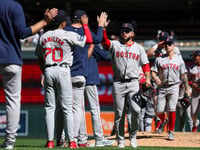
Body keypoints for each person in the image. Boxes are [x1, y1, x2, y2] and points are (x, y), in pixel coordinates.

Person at [0, 0, 58, 149]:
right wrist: (45, 21)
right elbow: (23, 33)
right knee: (12, 101)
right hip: (11, 59)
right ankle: (9, 142)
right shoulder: (13, 6)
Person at [36, 10, 93, 148]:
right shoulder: (68, 34)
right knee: (67, 108)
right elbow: (89, 41)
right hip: (63, 69)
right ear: (63, 23)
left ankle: (50, 141)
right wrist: (85, 26)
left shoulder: (44, 36)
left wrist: (44, 72)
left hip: (48, 69)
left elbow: (39, 57)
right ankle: (72, 141)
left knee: (50, 108)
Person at [55, 10, 108, 147]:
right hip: (83, 74)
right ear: (84, 19)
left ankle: (70, 139)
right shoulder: (86, 32)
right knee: (84, 109)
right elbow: (98, 44)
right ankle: (92, 138)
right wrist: (101, 26)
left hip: (64, 73)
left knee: (64, 108)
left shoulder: (64, 31)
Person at [102, 20, 151, 148]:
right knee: (119, 113)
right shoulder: (115, 45)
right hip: (118, 82)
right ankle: (121, 140)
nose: (124, 33)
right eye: (122, 31)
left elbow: (145, 65)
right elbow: (105, 43)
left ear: (132, 33)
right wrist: (102, 28)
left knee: (135, 110)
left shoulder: (139, 48)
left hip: (134, 82)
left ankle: (133, 137)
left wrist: (148, 79)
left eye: (127, 31)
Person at [151, 37, 190, 140]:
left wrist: (185, 88)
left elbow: (183, 74)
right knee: (159, 110)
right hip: (162, 87)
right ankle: (163, 120)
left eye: (169, 44)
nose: (167, 46)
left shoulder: (179, 59)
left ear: (174, 46)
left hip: (174, 87)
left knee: (171, 109)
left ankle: (170, 131)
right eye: (166, 44)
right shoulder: (159, 59)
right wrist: (155, 79)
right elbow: (153, 72)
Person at [77, 44, 115, 147]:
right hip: (90, 78)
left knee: (79, 110)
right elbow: (105, 55)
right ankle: (99, 138)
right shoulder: (90, 43)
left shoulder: (75, 41)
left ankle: (81, 140)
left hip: (77, 76)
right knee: (95, 109)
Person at [189, 50, 200, 132]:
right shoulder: (192, 68)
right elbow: (188, 80)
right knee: (193, 113)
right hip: (195, 92)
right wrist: (192, 84)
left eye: (195, 56)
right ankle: (195, 124)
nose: (193, 58)